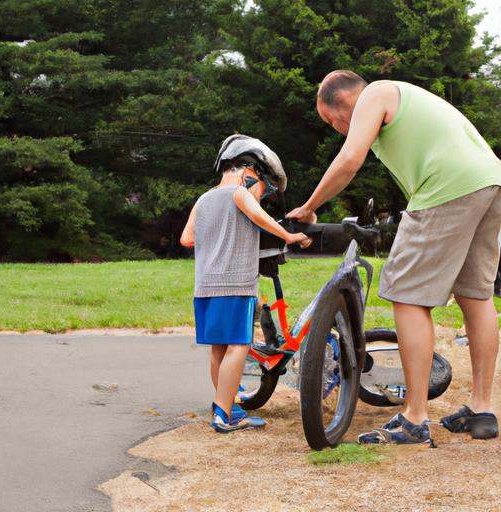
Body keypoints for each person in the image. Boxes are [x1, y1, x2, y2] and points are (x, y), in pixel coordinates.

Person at [288, 70, 501, 444]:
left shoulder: (375, 94)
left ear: (340, 103)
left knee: (406, 294)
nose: (336, 128)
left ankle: (414, 417)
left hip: (447, 187)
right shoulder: (410, 98)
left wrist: (308, 208)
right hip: (490, 182)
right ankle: (482, 409)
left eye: (330, 121)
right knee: (476, 295)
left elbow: (349, 160)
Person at [181, 134, 312, 433]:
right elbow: (259, 216)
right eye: (262, 188)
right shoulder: (239, 193)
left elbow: (186, 239)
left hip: (205, 285)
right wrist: (289, 236)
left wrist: (217, 236)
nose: (260, 195)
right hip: (235, 284)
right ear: (250, 174)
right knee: (238, 345)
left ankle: (226, 407)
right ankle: (224, 416)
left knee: (218, 349)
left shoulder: (203, 200)